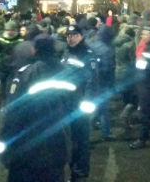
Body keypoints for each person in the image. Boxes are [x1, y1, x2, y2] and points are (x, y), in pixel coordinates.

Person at [0, 35, 74, 182]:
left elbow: (13, 116)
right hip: (57, 147)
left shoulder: (26, 75)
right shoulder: (67, 73)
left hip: (28, 150)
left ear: (35, 50)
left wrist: (7, 149)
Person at [61, 25, 96, 182]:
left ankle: (80, 172)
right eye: (68, 35)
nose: (71, 38)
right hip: (66, 102)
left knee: (80, 139)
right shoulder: (66, 52)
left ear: (81, 36)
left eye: (74, 35)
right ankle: (72, 169)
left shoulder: (87, 54)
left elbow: (92, 80)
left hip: (79, 103)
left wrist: (87, 101)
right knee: (69, 139)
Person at [0, 20, 24, 108]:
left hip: (15, 67)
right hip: (4, 66)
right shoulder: (1, 38)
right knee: (3, 85)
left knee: (13, 85)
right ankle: (0, 102)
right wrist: (0, 61)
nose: (9, 32)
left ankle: (11, 102)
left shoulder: (20, 39)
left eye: (10, 30)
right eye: (7, 30)